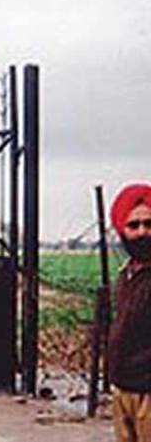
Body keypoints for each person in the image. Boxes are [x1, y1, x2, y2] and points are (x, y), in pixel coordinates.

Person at [108, 183, 151, 442]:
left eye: (149, 223)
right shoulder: (126, 275)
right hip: (124, 388)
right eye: (133, 226)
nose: (142, 232)